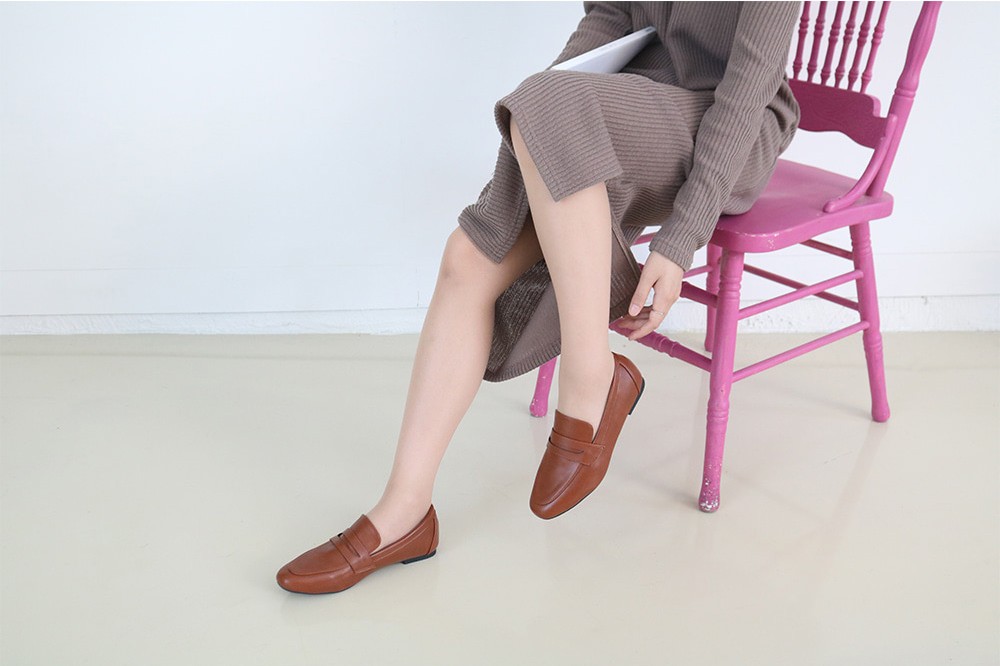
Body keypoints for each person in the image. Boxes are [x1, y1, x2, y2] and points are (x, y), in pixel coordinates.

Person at [276, 1, 801, 594]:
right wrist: (538, 129)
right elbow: (610, 17)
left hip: (729, 127)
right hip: (629, 103)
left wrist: (681, 239)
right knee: (468, 258)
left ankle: (589, 376)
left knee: (548, 107)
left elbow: (748, 88)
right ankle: (405, 511)